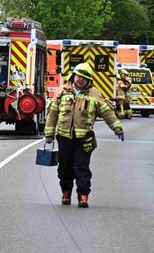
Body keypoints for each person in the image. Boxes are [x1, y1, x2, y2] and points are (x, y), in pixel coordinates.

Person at [44, 62, 125, 208]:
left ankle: (83, 196)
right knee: (64, 168)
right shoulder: (61, 92)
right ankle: (66, 193)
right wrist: (49, 135)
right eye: (78, 76)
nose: (80, 79)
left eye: (84, 77)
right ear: (73, 76)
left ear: (89, 80)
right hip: (64, 137)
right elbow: (52, 114)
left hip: (85, 138)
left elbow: (107, 113)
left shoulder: (95, 94)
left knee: (81, 167)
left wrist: (117, 129)